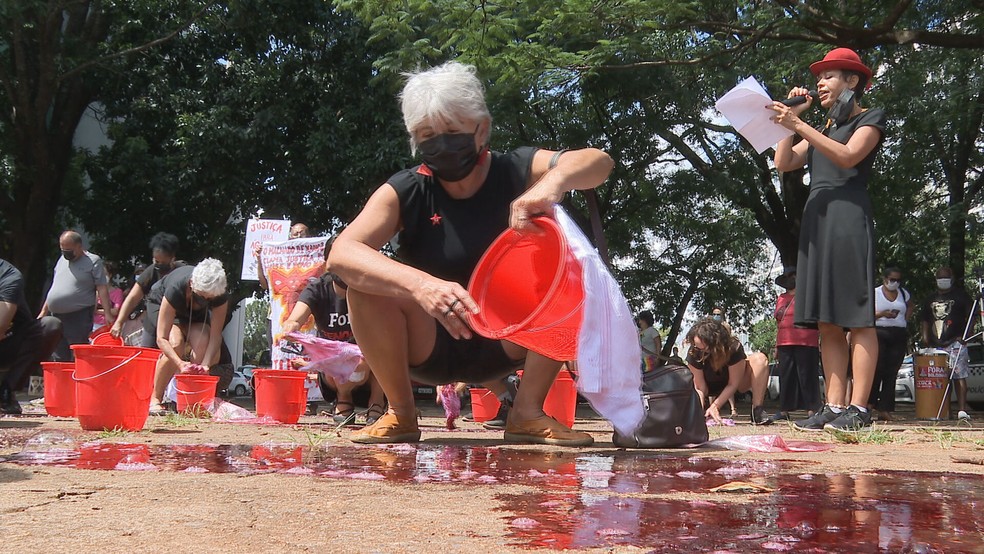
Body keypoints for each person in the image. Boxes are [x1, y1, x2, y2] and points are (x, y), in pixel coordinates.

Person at [327, 61, 614, 446]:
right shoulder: (406, 190)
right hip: (428, 342)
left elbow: (598, 162)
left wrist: (553, 183)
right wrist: (422, 285)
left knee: (572, 271)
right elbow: (342, 253)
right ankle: (400, 413)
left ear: (482, 128)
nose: (442, 143)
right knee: (365, 285)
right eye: (428, 134)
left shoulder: (517, 168)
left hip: (510, 340)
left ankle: (527, 413)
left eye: (452, 131)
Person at [771, 47, 886, 431]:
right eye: (819, 78)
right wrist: (791, 125)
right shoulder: (820, 129)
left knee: (857, 317)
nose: (820, 83)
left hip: (848, 220)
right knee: (827, 322)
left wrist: (800, 127)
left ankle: (860, 408)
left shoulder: (869, 118)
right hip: (816, 226)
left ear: (852, 81)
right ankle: (834, 407)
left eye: (830, 76)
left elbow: (849, 155)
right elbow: (784, 163)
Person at [281, 239, 386, 425]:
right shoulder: (317, 289)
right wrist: (291, 326)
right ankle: (343, 399)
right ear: (328, 263)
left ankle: (376, 402)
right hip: (333, 374)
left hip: (370, 370)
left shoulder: (370, 288)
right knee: (340, 361)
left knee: (383, 344)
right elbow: (295, 318)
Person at [146, 259, 229, 415]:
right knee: (176, 343)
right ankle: (155, 400)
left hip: (193, 314)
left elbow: (215, 336)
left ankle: (190, 401)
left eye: (209, 299)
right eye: (202, 297)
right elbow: (161, 338)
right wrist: (180, 363)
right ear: (192, 284)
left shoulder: (218, 294)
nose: (205, 301)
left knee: (203, 342)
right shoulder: (175, 288)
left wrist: (205, 365)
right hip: (163, 304)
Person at [39, 231, 116, 361]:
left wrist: (107, 313)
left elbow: (101, 288)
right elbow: (55, 287)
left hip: (78, 315)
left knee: (78, 354)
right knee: (58, 355)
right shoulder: (61, 260)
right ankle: (62, 381)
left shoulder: (93, 261)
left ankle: (77, 380)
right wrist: (43, 312)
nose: (65, 253)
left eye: (68, 250)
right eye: (62, 249)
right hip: (56, 315)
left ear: (79, 246)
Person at [0, 258, 62, 413]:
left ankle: (7, 389)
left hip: (10, 341)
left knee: (50, 326)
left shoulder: (8, 275)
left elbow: (0, 325)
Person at [685, 317, 772, 425]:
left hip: (736, 384)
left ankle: (757, 411)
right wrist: (697, 413)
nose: (701, 351)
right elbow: (699, 388)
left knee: (760, 359)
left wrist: (715, 406)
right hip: (708, 386)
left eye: (705, 348)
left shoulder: (733, 347)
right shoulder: (694, 352)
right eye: (697, 347)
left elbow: (733, 384)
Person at [110, 232, 184, 345]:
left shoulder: (182, 271)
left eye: (162, 262)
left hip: (177, 320)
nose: (158, 265)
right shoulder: (151, 271)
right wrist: (119, 322)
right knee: (147, 349)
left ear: (172, 259)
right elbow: (133, 298)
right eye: (156, 261)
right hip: (153, 320)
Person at [920, 266, 973, 421]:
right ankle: (945, 410)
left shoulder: (961, 296)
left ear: (952, 278)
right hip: (936, 344)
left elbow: (971, 316)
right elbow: (924, 320)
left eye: (946, 277)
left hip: (956, 342)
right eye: (940, 277)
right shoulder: (930, 299)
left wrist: (965, 336)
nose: (943, 280)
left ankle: (962, 410)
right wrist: (925, 338)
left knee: (959, 375)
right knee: (941, 379)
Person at [772, 266, 821, 422]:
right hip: (784, 341)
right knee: (786, 376)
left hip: (806, 340)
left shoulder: (808, 296)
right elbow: (778, 322)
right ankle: (785, 409)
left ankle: (812, 409)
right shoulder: (781, 298)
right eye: (789, 276)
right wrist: (776, 346)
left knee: (807, 376)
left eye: (794, 276)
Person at [869, 267, 912, 421]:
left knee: (892, 371)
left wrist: (904, 319)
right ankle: (869, 404)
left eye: (898, 280)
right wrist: (882, 314)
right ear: (885, 278)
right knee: (877, 368)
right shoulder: (875, 293)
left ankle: (885, 408)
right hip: (879, 332)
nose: (895, 283)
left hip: (898, 333)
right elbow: (866, 313)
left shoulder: (903, 293)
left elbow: (910, 306)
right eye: (892, 279)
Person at [92, 261, 124, 330]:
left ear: (110, 275)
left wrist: (98, 311)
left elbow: (115, 311)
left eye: (104, 274)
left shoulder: (118, 292)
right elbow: (92, 309)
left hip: (109, 325)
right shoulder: (95, 291)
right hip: (94, 325)